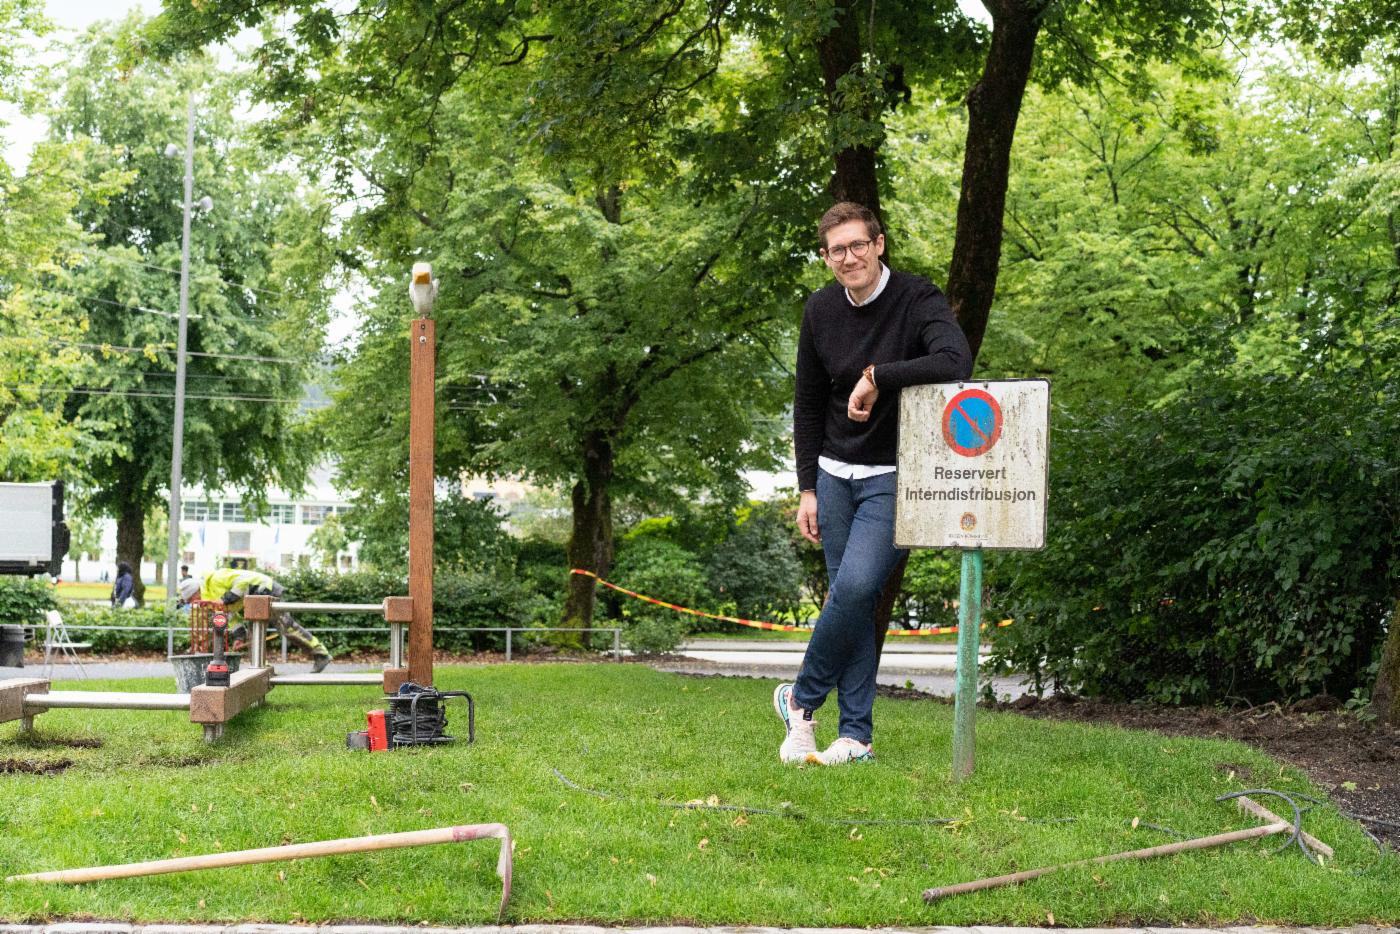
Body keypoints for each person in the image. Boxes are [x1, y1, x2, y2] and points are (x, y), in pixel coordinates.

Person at [775, 201, 973, 766]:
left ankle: (800, 698)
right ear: (825, 257)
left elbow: (954, 360)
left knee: (859, 586)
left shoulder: (916, 298)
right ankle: (855, 736)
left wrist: (877, 377)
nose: (849, 258)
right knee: (853, 602)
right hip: (833, 473)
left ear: (879, 244)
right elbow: (808, 403)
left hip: (895, 474)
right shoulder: (820, 309)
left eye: (858, 245)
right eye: (836, 250)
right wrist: (807, 488)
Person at [178, 567, 334, 673]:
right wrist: (239, 637)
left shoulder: (216, 578)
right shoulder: (209, 601)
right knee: (254, 638)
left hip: (264, 590)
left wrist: (225, 599)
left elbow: (242, 581)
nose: (193, 603)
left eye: (192, 600)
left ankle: (321, 654)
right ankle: (263, 670)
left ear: (195, 592)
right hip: (252, 602)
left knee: (286, 627)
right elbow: (231, 617)